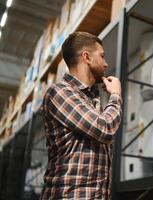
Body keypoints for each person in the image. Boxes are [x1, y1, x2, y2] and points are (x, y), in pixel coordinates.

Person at [40, 31, 122, 199]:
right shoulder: (59, 92)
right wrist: (116, 96)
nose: (106, 64)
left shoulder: (91, 99)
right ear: (87, 57)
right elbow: (105, 129)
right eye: (102, 56)